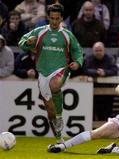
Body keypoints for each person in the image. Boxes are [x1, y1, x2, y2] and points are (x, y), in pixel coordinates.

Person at [18, 3, 83, 143]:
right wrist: (28, 42)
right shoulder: (39, 31)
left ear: (61, 19)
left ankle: (60, 117)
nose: (54, 21)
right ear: (48, 17)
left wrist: (78, 62)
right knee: (49, 111)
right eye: (52, 18)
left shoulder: (67, 34)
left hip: (61, 70)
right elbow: (21, 42)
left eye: (57, 18)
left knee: (55, 85)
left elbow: (77, 51)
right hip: (43, 73)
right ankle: (59, 140)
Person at [83, 41, 118, 120]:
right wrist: (96, 72)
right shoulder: (88, 58)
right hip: (91, 94)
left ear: (104, 50)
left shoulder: (109, 58)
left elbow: (115, 70)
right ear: (93, 51)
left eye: (100, 50)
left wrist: (105, 72)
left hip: (107, 96)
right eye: (96, 51)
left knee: (105, 117)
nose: (98, 52)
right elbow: (84, 70)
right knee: (90, 117)